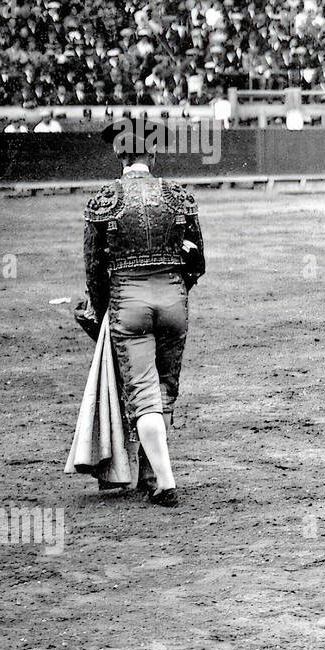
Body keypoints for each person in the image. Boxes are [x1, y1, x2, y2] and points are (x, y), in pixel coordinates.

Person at [83, 124, 205, 505]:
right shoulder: (178, 197)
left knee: (142, 394)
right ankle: (150, 476)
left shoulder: (104, 200)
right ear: (151, 156)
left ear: (120, 157)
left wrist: (102, 312)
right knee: (164, 391)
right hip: (173, 304)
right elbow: (197, 262)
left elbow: (93, 268)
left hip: (127, 303)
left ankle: (163, 482)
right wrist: (177, 288)